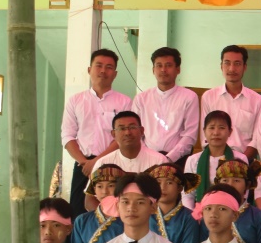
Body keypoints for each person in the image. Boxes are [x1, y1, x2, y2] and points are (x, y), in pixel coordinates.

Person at [61, 47, 131, 210]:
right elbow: (67, 135)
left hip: (114, 165)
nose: (103, 71)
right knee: (78, 212)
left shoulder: (124, 102)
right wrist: (85, 162)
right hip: (83, 165)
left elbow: (121, 137)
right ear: (89, 69)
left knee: (114, 210)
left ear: (115, 73)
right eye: (99, 65)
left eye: (109, 67)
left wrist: (98, 161)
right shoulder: (75, 101)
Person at [132, 46, 200, 165]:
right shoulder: (141, 99)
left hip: (177, 160)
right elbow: (136, 132)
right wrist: (147, 156)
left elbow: (190, 135)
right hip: (146, 160)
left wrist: (168, 158)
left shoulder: (189, 97)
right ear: (153, 70)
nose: (163, 70)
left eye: (168, 65)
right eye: (159, 65)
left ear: (178, 69)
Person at [200, 45, 261, 158]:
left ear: (245, 67)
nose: (231, 68)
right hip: (214, 160)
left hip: (245, 162)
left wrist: (241, 161)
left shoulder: (258, 100)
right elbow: (205, 135)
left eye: (237, 63)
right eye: (227, 63)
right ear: (221, 66)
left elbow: (257, 139)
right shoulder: (208, 97)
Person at [184, 110, 242, 209]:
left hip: (231, 211)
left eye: (222, 128)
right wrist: (193, 216)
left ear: (230, 132)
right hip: (200, 212)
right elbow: (188, 194)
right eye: (211, 128)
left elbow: (243, 192)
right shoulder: (193, 160)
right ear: (204, 131)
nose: (216, 133)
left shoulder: (239, 158)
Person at [214, 159, 261, 243]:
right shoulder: (211, 214)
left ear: (247, 185)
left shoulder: (258, 216)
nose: (230, 185)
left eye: (236, 180)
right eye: (225, 180)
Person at [69, 163, 125, 243]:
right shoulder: (82, 220)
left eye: (111, 186)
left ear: (121, 188)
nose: (104, 191)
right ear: (94, 189)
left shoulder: (129, 219)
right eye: (99, 186)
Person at [93, 111, 168, 181]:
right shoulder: (103, 163)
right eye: (122, 128)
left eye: (132, 127)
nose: (127, 133)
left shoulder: (159, 161)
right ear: (113, 134)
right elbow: (91, 194)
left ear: (142, 131)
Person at [147, 162, 203, 243]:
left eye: (169, 182)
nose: (162, 187)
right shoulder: (145, 214)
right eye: (158, 182)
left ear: (179, 188)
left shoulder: (190, 218)